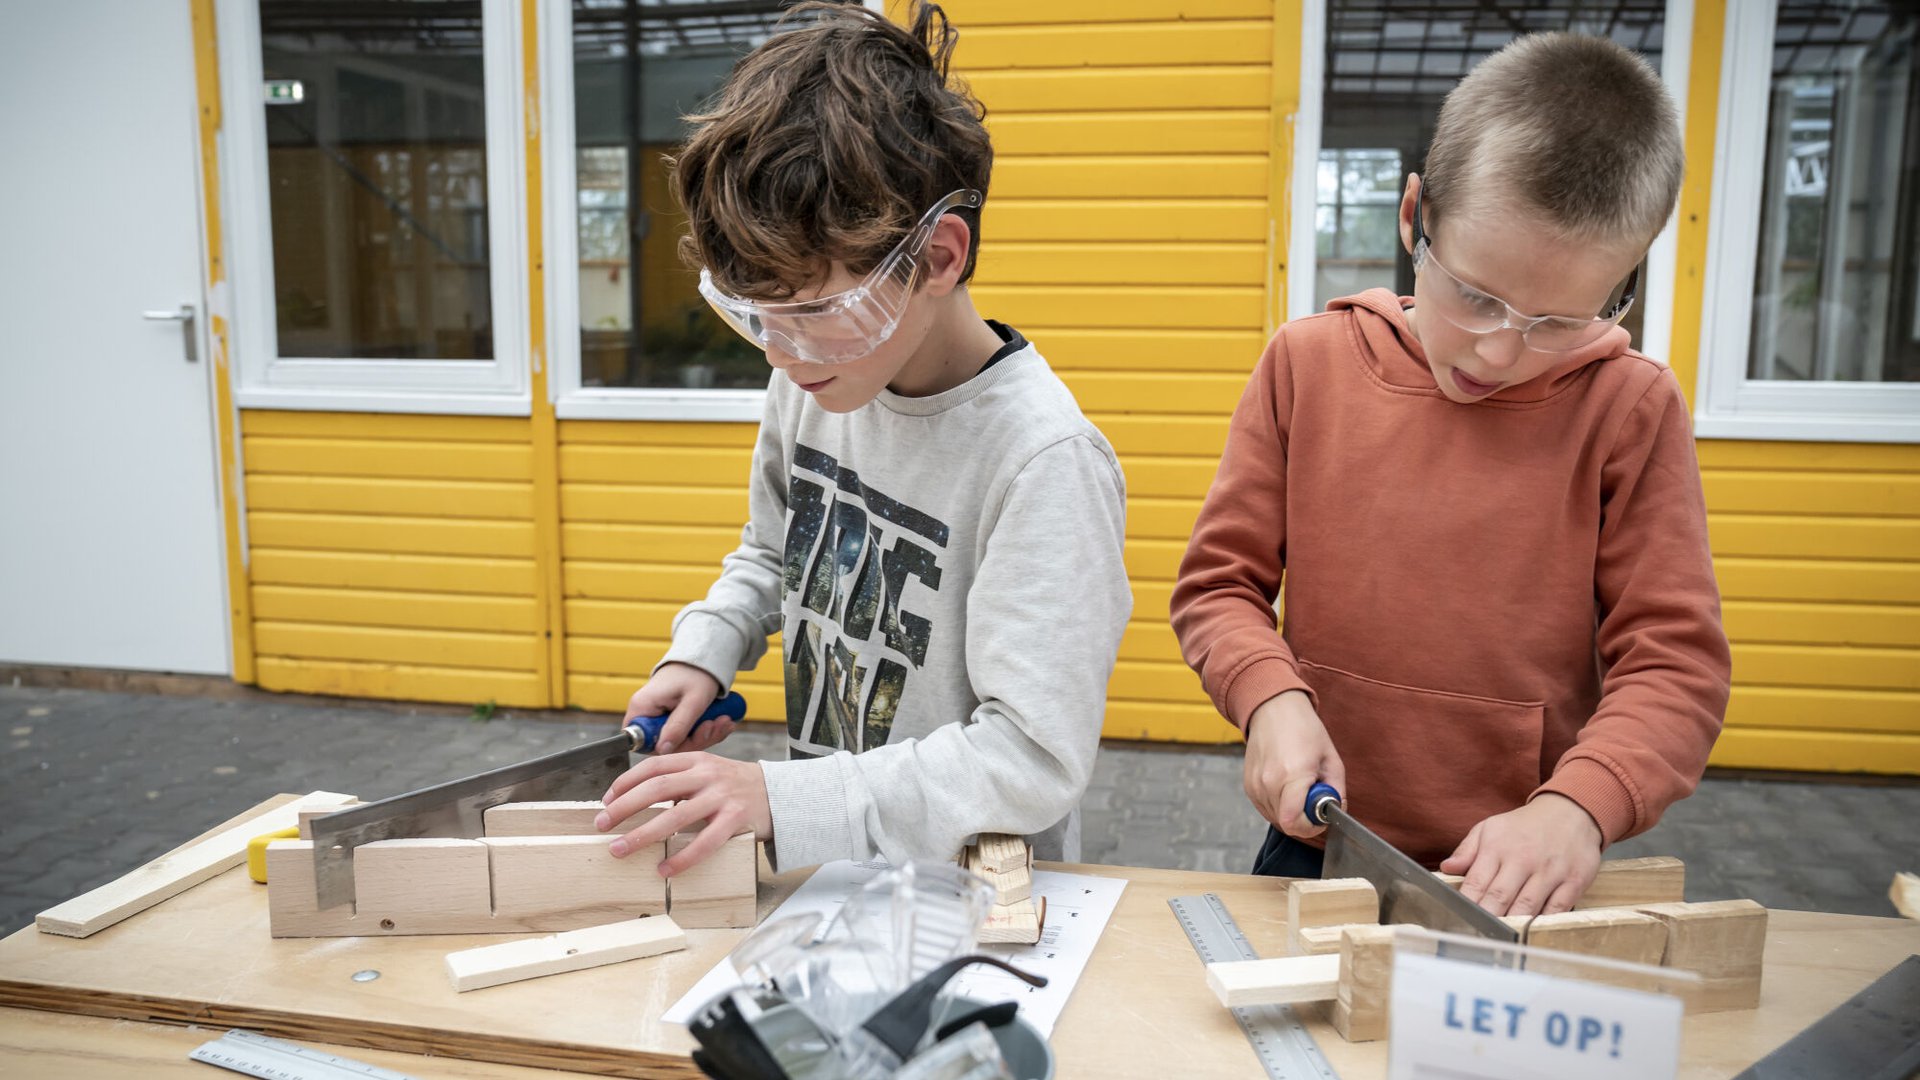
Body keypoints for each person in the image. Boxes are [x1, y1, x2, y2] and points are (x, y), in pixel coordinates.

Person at [1170, 32, 1732, 918]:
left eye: (1560, 320)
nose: (1501, 351)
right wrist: (1270, 699)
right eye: (1475, 295)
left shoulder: (1631, 411)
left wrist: (1577, 809)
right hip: (1318, 837)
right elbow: (1219, 586)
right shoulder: (1305, 367)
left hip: (1521, 868)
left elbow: (1676, 667)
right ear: (1414, 215)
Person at [594, 2, 1131, 879]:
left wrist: (782, 799)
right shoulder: (817, 376)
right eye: (750, 316)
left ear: (938, 257)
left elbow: (1034, 755)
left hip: (979, 902)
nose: (780, 351)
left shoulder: (1043, 462)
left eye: (813, 313)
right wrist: (707, 647)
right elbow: (775, 551)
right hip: (846, 874)